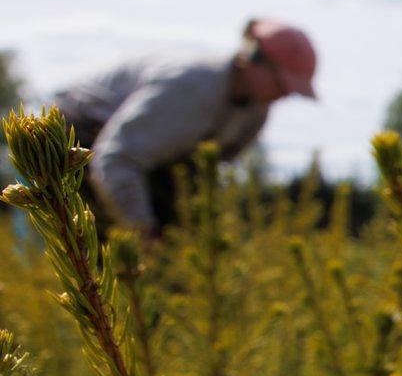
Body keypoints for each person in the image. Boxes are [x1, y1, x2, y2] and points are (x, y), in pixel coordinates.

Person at [49, 19, 317, 238]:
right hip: (79, 137)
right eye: (281, 84)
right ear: (253, 58)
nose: (284, 95)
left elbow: (209, 167)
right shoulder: (190, 89)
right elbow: (115, 157)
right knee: (98, 252)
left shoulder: (256, 109)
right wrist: (143, 232)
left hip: (137, 159)